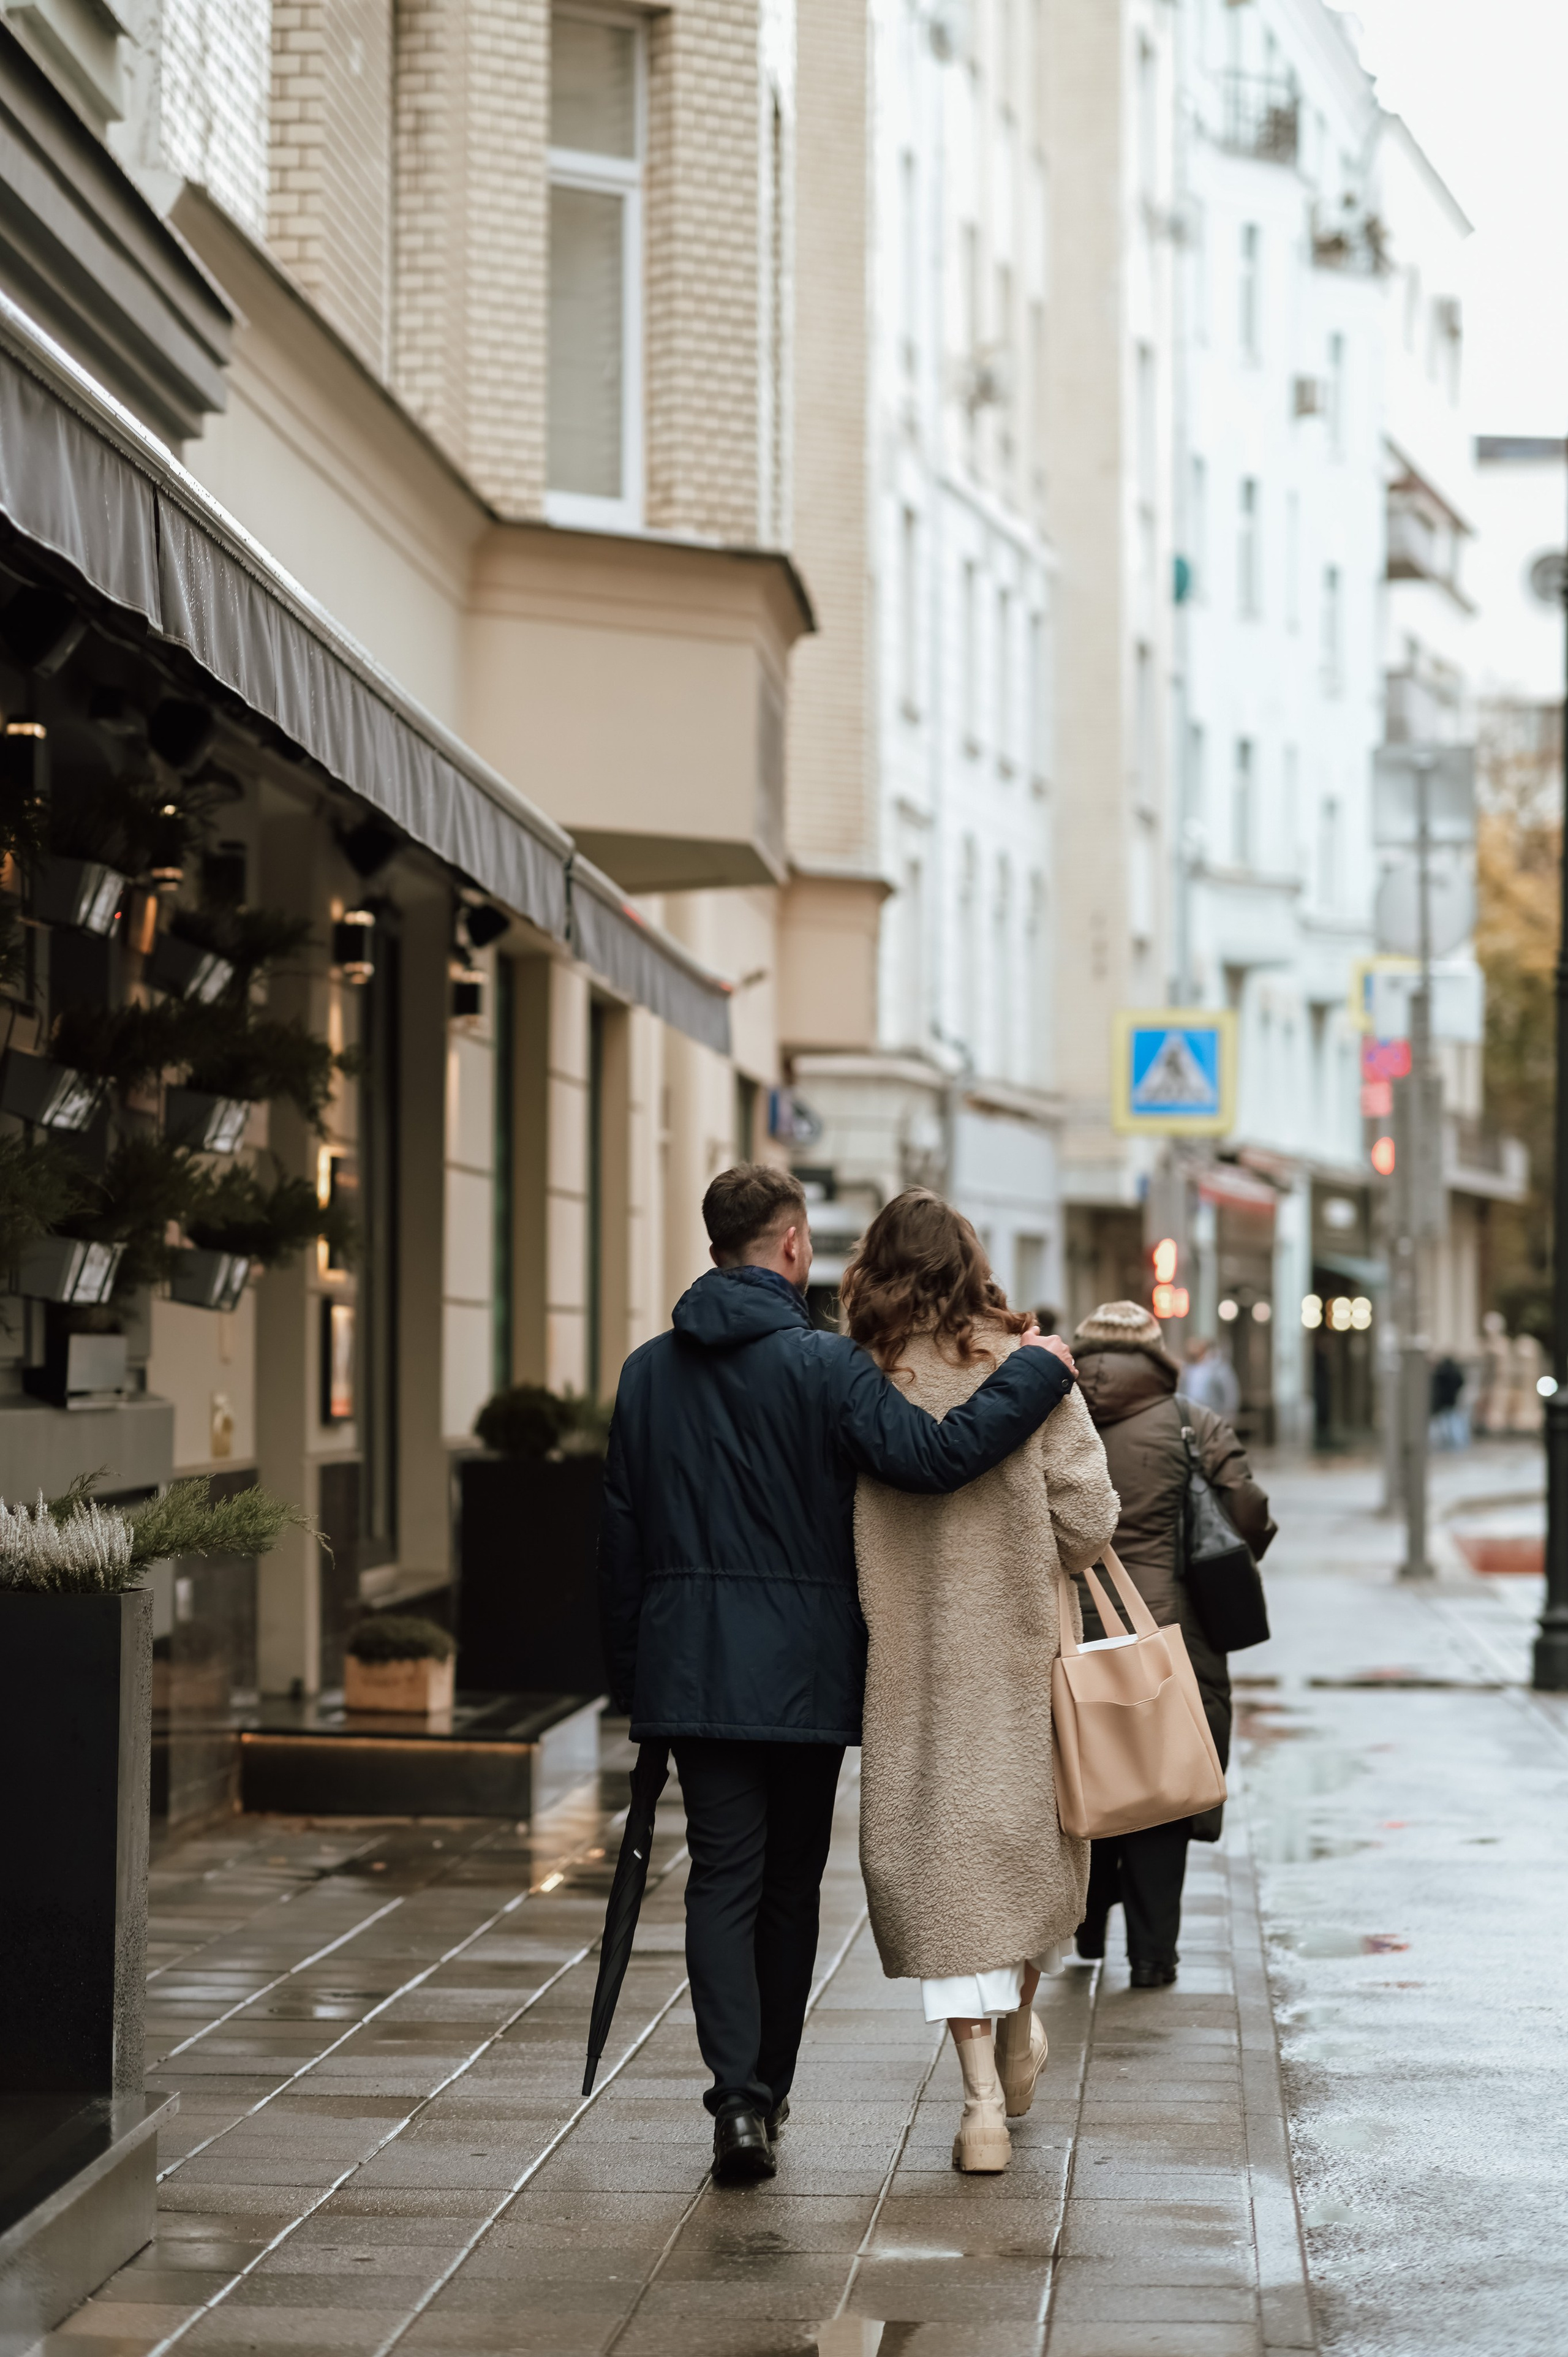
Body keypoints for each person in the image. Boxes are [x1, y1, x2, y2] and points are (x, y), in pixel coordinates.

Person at [599, 1166, 1079, 2184]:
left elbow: (619, 1539)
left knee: (722, 1877)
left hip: (692, 1665)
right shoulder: (824, 1367)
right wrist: (1038, 1370)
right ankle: (767, 2091)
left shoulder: (645, 1373)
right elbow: (937, 1455)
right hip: (806, 1671)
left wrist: (632, 1678)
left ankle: (737, 2100)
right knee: (786, 1886)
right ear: (787, 1246)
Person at [845, 1194, 1120, 2173]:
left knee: (945, 1873)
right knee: (1026, 1862)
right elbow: (1087, 1526)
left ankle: (977, 2110)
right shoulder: (1028, 1364)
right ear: (972, 1262)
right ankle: (1019, 2031)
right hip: (1019, 1662)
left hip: (913, 1671)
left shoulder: (861, 1376)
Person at [1071, 1300, 1275, 1987]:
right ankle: (1154, 1955)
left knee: (1084, 1770)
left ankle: (1087, 1928)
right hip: (1168, 1633)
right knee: (1159, 1787)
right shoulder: (1191, 1421)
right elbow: (1248, 1512)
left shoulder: (1049, 1413)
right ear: (1155, 1352)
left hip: (1069, 1629)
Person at [1182, 1335, 1240, 1419]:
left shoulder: (1219, 1368)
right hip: (1194, 1418)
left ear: (1202, 1348)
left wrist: (1228, 1416)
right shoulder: (1189, 1370)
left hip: (1214, 1416)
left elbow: (1230, 1394)